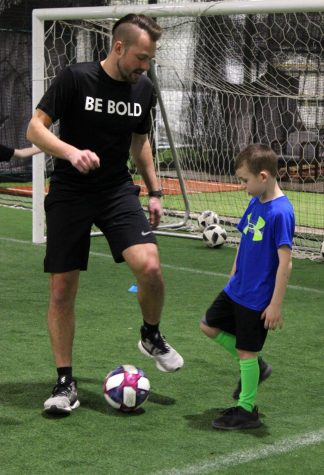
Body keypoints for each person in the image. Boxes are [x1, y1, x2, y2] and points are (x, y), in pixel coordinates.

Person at [26, 13, 184, 415]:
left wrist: (155, 191)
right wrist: (70, 152)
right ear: (118, 47)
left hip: (115, 190)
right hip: (70, 191)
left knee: (150, 267)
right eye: (141, 57)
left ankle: (150, 334)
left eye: (149, 60)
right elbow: (35, 129)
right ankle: (65, 383)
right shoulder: (75, 79)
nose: (145, 67)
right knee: (62, 288)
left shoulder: (143, 89)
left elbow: (141, 142)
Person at [200, 143, 295, 430]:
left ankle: (246, 410)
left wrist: (275, 304)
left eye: (244, 180)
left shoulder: (281, 212)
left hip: (257, 298)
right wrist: (234, 270)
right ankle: (257, 367)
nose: (242, 186)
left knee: (246, 352)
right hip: (237, 288)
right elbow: (244, 237)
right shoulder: (256, 201)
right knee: (208, 325)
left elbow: (285, 264)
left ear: (263, 176)